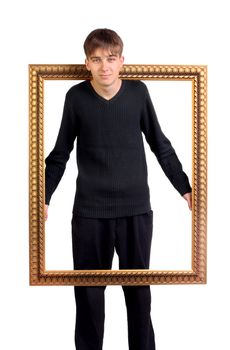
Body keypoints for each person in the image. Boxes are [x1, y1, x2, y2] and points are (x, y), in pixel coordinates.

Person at [45, 28, 192, 350]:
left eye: (111, 59)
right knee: (88, 296)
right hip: (89, 213)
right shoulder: (76, 97)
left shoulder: (138, 93)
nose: (105, 67)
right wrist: (42, 197)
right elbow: (59, 154)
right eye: (96, 60)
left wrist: (186, 188)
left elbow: (160, 145)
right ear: (87, 63)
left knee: (138, 295)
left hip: (136, 210)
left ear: (122, 61)